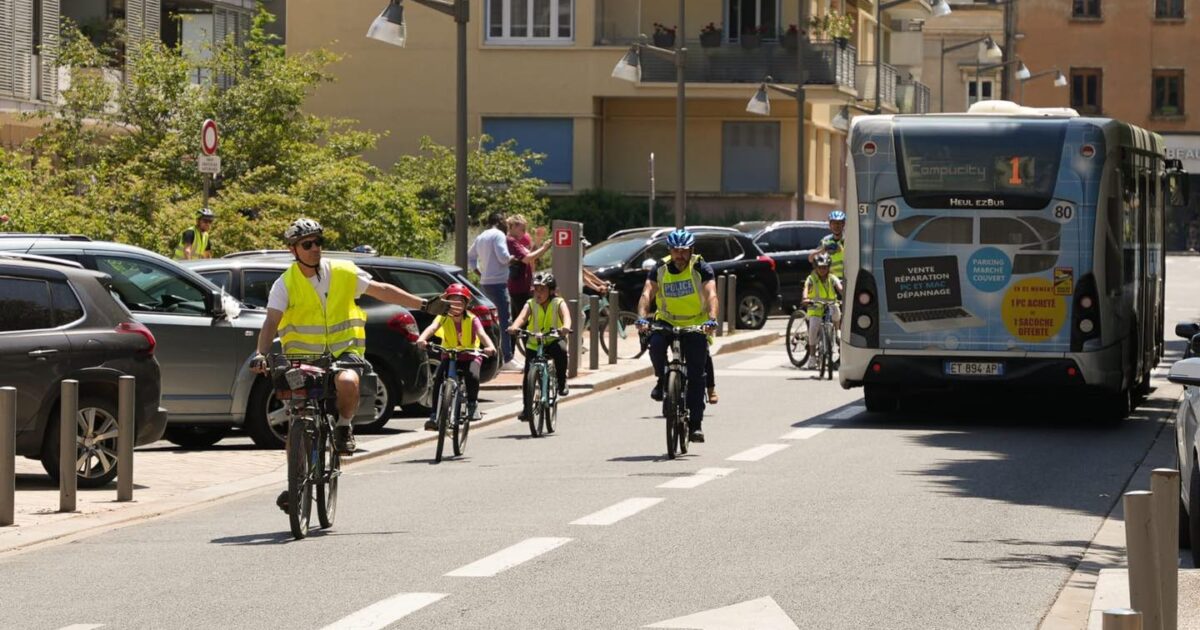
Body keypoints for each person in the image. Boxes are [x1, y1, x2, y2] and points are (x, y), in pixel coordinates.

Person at [249, 218, 431, 512]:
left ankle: (344, 427)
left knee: (347, 382)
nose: (315, 249)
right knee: (298, 416)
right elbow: (271, 321)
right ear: (293, 250)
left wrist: (422, 305)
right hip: (303, 358)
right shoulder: (285, 283)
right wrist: (261, 353)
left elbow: (382, 290)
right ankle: (295, 482)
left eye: (318, 242)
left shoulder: (342, 272)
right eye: (307, 244)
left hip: (343, 351)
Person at [635, 229, 720, 443]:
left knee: (696, 374)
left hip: (695, 323)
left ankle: (696, 425)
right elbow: (647, 293)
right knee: (654, 345)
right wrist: (642, 318)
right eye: (675, 251)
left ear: (691, 250)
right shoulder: (660, 268)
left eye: (683, 251)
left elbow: (712, 294)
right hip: (667, 319)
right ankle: (662, 379)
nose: (679, 255)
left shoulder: (701, 267)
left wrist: (711, 319)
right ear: (670, 251)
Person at [416, 283, 497, 430]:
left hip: (470, 355)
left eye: (460, 303)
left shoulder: (472, 319)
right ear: (446, 303)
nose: (456, 306)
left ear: (466, 304)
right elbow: (432, 328)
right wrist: (422, 339)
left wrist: (489, 347)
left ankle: (472, 404)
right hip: (450, 355)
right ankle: (434, 415)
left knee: (472, 375)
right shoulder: (443, 317)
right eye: (452, 302)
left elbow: (482, 334)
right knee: (438, 380)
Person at [508, 272, 572, 422]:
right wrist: (515, 327)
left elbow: (566, 316)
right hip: (534, 343)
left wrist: (566, 327)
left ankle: (562, 382)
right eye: (536, 289)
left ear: (551, 291)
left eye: (542, 289)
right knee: (528, 376)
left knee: (561, 351)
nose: (538, 293)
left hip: (553, 340)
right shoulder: (530, 303)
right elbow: (522, 317)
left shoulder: (558, 302)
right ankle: (526, 409)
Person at [469, 212, 518, 369]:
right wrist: (513, 258)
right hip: (498, 283)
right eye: (505, 220)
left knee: (490, 322)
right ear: (500, 221)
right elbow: (503, 257)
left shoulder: (482, 236)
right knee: (504, 320)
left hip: (485, 284)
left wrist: (478, 272)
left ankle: (494, 357)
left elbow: (470, 256)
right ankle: (507, 359)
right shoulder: (498, 235)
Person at [506, 215, 552, 322]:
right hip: (519, 288)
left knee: (520, 320)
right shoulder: (511, 241)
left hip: (523, 286)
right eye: (522, 229)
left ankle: (515, 338)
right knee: (525, 321)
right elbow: (527, 258)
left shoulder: (516, 241)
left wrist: (539, 241)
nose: (524, 232)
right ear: (512, 227)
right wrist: (544, 248)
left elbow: (531, 255)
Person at [801, 254, 843, 370]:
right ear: (815, 267)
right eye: (820, 267)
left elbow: (840, 288)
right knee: (813, 328)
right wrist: (805, 298)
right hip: (815, 306)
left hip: (831, 305)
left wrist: (845, 295)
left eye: (825, 267)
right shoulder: (811, 278)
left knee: (837, 313)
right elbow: (806, 289)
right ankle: (812, 356)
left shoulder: (832, 278)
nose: (822, 270)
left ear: (828, 267)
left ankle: (837, 330)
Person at [809, 210, 847, 282]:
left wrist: (841, 250)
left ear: (843, 224)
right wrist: (823, 250)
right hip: (830, 280)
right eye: (833, 223)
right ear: (830, 225)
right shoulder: (825, 241)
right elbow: (811, 259)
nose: (836, 226)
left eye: (838, 223)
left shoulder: (848, 240)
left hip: (845, 279)